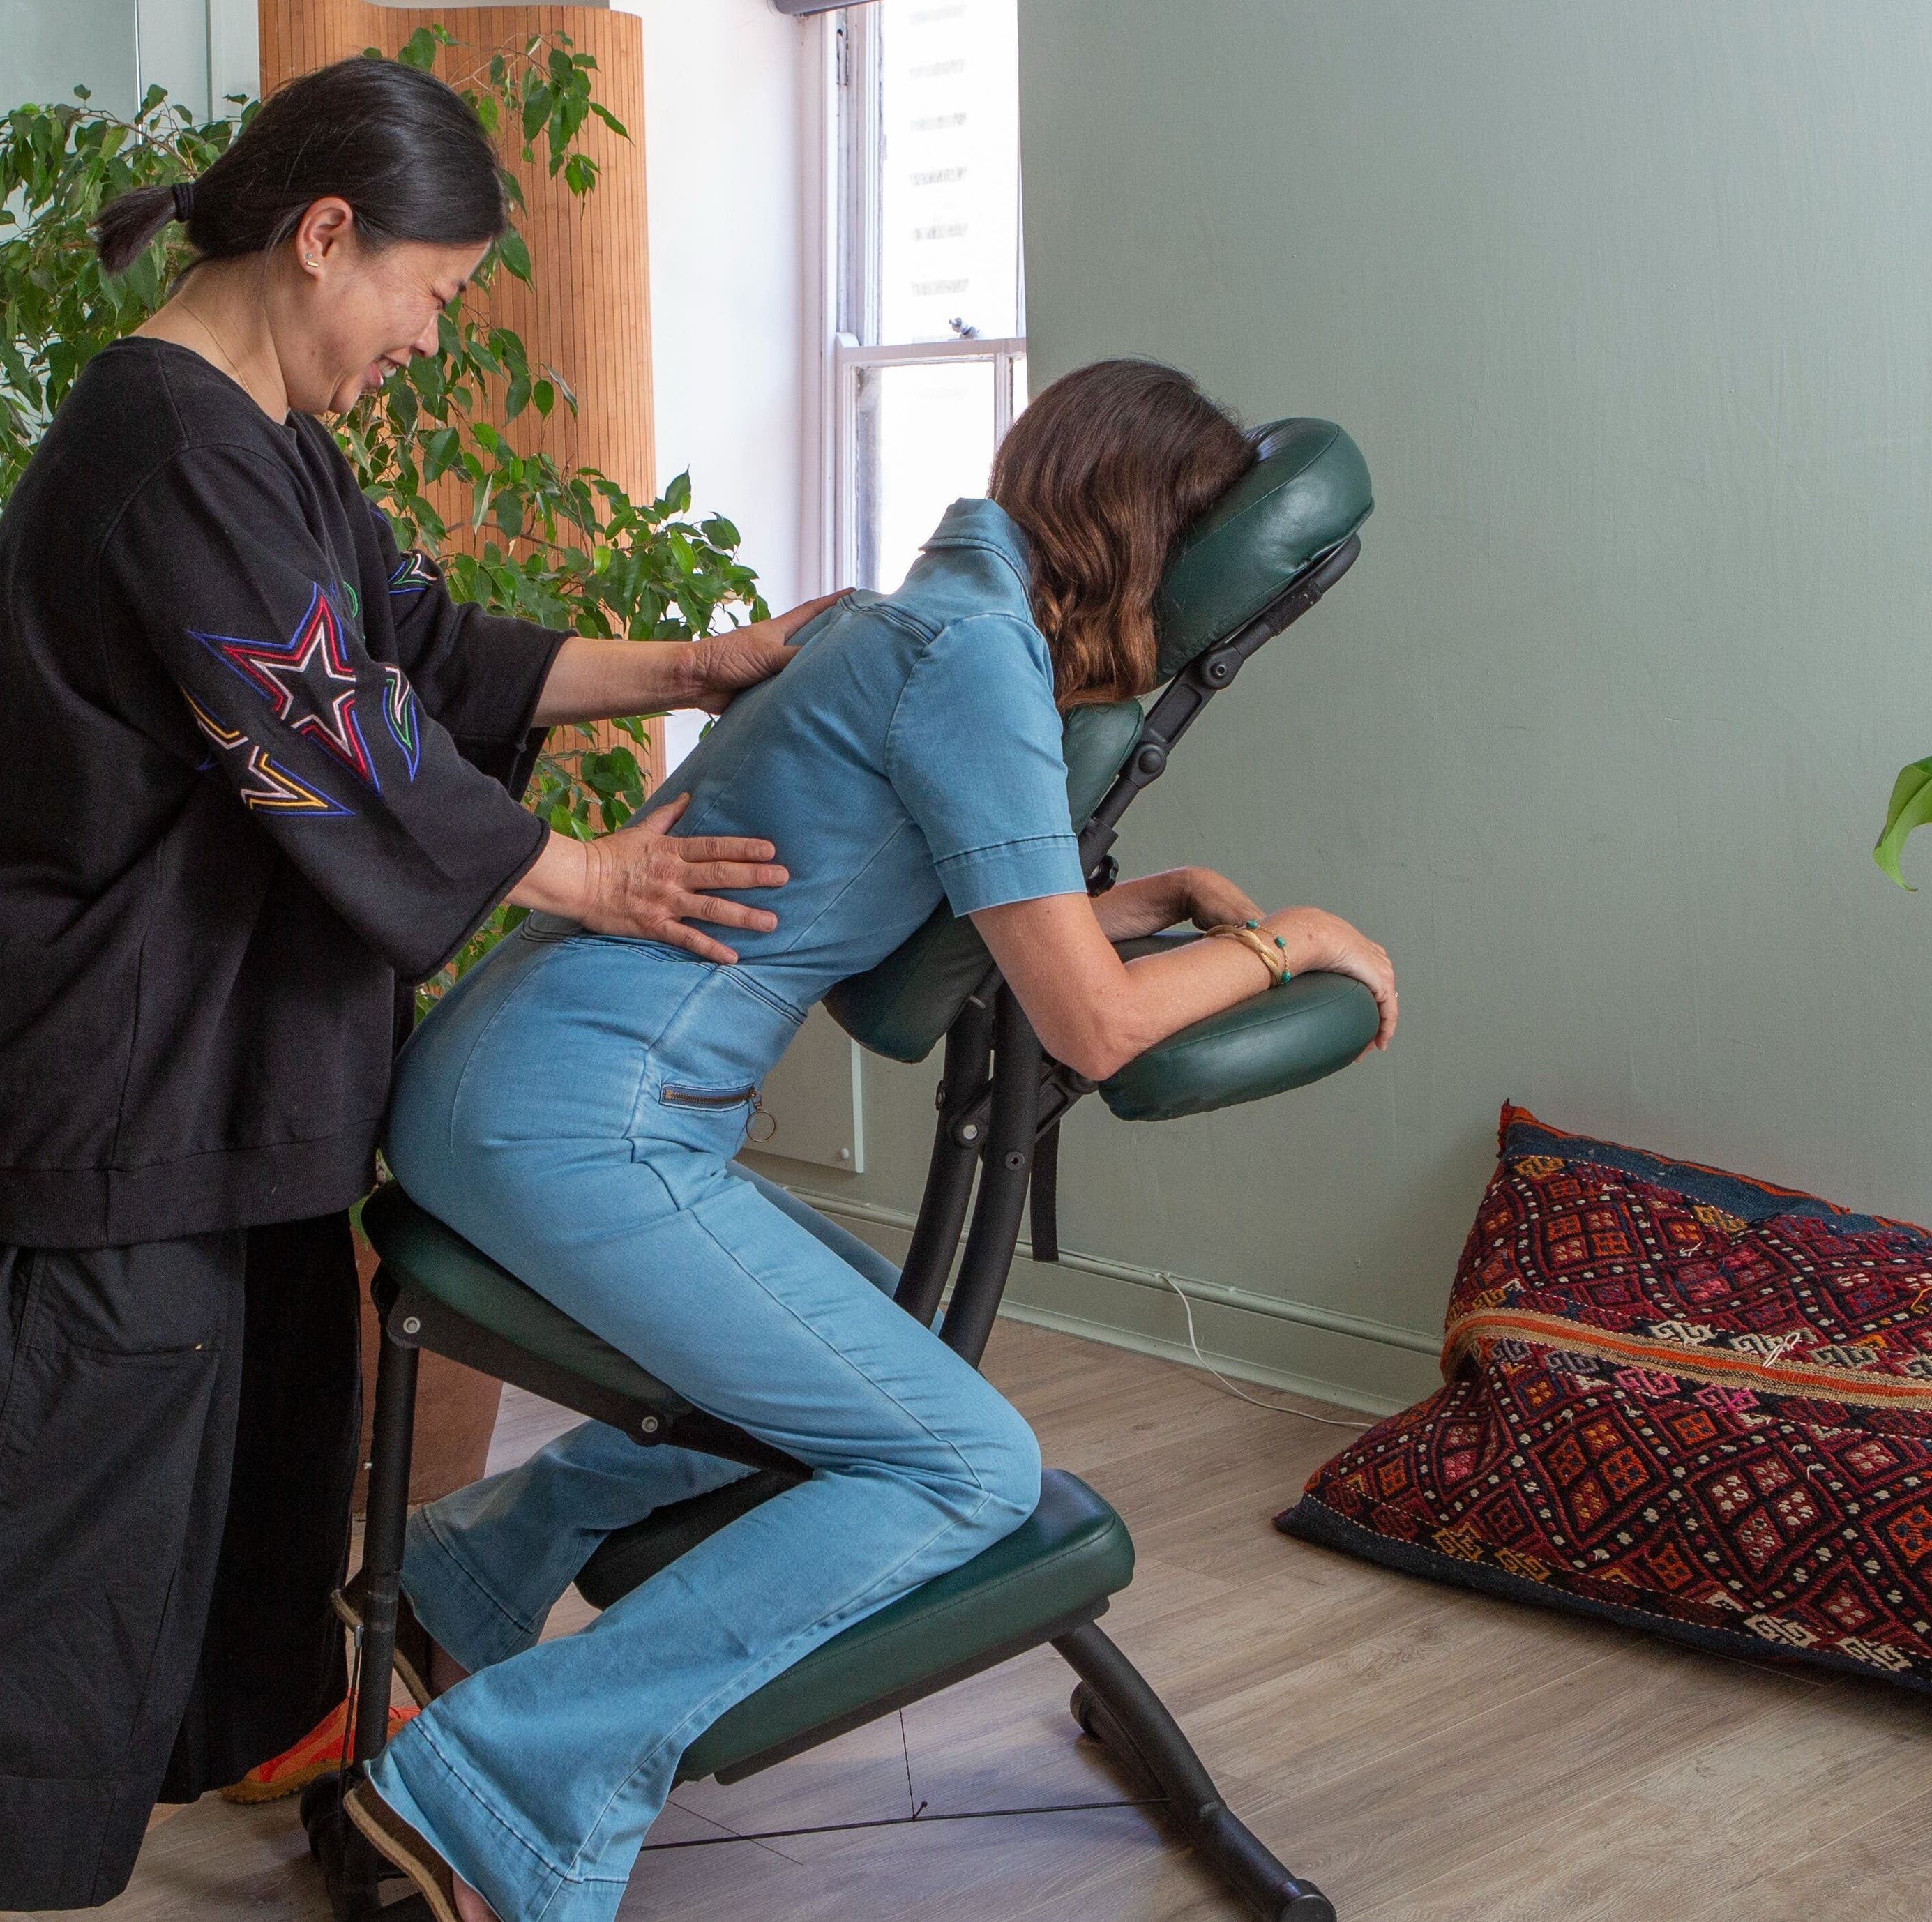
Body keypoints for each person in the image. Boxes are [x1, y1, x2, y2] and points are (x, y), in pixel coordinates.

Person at [0, 56, 833, 1922]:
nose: (424, 336)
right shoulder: (161, 449)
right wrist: (587, 875)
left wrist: (686, 669)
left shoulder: (271, 442)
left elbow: (410, 648)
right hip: (111, 1073)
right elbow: (326, 739)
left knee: (267, 1440)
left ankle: (274, 1732)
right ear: (326, 239)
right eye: (429, 293)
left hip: (232, 1067)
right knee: (16, 1487)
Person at [341, 359, 1401, 1922]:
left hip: (516, 1080)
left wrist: (1129, 901)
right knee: (968, 1459)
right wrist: (1288, 942)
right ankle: (498, 1775)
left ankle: (469, 1576)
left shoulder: (917, 621)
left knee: (872, 1360)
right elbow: (1095, 1027)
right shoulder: (973, 664)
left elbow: (894, 940)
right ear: (1140, 538)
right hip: (585, 1119)